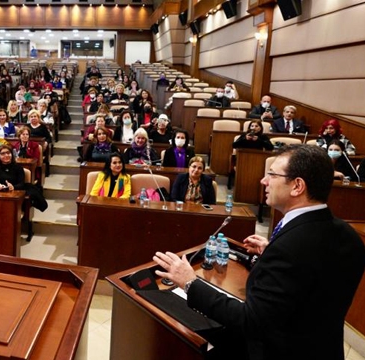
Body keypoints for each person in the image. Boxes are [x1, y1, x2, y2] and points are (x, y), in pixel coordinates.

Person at [153, 145, 365, 360]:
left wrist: (189, 282)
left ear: (297, 186)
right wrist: (271, 253)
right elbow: (311, 283)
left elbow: (250, 321)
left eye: (272, 174)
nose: (264, 181)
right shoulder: (349, 236)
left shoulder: (289, 249)